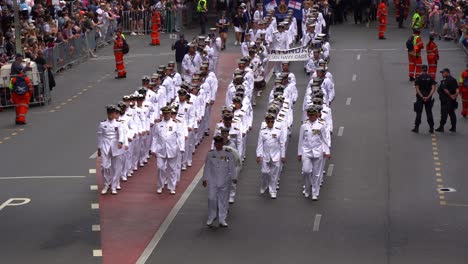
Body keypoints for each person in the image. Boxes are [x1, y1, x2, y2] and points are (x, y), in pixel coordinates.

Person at [202, 135, 236, 227]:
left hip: (225, 180)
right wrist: (204, 179)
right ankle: (211, 216)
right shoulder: (210, 154)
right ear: (215, 143)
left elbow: (232, 167)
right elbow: (207, 167)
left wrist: (234, 177)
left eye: (219, 143)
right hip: (213, 180)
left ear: (222, 143)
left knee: (223, 201)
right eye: (216, 143)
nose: (218, 144)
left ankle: (222, 219)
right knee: (211, 198)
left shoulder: (228, 154)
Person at [297, 106, 330, 201]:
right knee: (306, 171)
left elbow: (324, 139)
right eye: (310, 115)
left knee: (316, 174)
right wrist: (299, 153)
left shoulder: (321, 125)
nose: (311, 117)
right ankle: (307, 189)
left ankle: (315, 192)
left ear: (317, 115)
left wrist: (327, 151)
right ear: (307, 115)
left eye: (313, 115)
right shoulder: (304, 126)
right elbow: (300, 140)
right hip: (306, 152)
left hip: (318, 151)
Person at [151, 106, 185, 194]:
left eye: (168, 113)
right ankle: (160, 185)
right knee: (160, 168)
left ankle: (172, 186)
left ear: (170, 114)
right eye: (164, 113)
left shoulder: (175, 124)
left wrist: (182, 147)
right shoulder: (158, 125)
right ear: (162, 114)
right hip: (160, 150)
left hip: (172, 149)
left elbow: (180, 136)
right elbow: (155, 137)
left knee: (172, 169)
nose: (166, 115)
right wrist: (153, 149)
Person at [256, 113, 286, 199]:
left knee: (274, 174)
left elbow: (282, 143)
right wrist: (258, 155)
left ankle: (272, 190)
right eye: (268, 121)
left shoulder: (278, 130)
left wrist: (283, 155)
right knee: (264, 172)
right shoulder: (262, 131)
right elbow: (260, 144)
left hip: (276, 155)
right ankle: (263, 185)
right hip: (265, 155)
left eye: (272, 121)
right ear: (266, 122)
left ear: (274, 122)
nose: (270, 123)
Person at [97, 105, 126, 195]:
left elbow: (121, 133)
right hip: (105, 146)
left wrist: (120, 142)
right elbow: (100, 136)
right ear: (107, 113)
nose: (110, 115)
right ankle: (106, 184)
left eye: (112, 113)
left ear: (114, 114)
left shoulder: (118, 123)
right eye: (109, 113)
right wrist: (99, 148)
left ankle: (114, 186)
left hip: (115, 146)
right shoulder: (102, 124)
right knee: (104, 166)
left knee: (115, 167)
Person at [9, 54, 33, 125]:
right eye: (21, 58)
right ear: (18, 58)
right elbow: (21, 71)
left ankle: (18, 119)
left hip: (16, 86)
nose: (21, 60)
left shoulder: (17, 64)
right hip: (18, 85)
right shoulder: (16, 64)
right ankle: (21, 119)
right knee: (23, 105)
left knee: (17, 105)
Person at [412, 65, 436, 133]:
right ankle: (431, 128)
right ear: (427, 69)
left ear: (421, 69)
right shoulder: (430, 77)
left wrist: (422, 97)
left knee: (419, 112)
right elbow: (433, 88)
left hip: (420, 98)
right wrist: (428, 96)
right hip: (428, 98)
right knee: (429, 112)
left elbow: (417, 88)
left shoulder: (418, 77)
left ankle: (416, 128)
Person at [436, 68, 459, 132]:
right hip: (452, 100)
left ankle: (441, 127)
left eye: (443, 73)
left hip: (446, 100)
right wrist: (455, 96)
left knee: (444, 113)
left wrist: (450, 96)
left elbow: (445, 89)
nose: (442, 74)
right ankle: (453, 127)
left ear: (447, 72)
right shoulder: (453, 79)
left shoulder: (445, 80)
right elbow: (457, 89)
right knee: (452, 113)